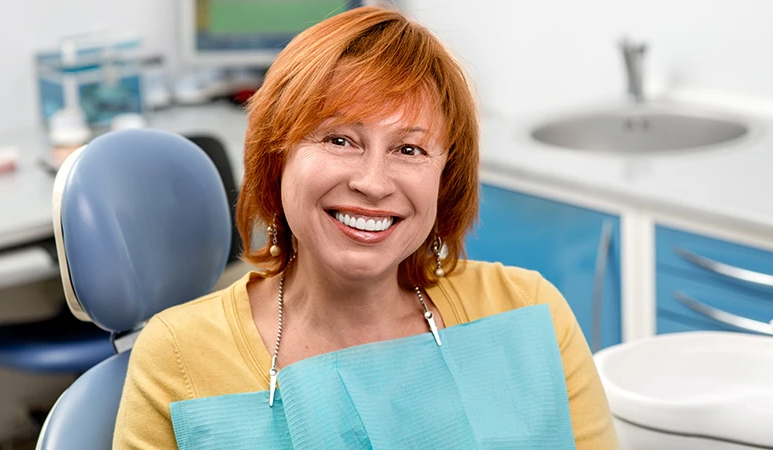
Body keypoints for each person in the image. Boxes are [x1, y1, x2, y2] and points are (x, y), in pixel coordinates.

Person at [113, 5, 618, 449]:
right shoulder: (176, 359)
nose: (374, 183)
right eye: (339, 140)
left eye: (409, 149)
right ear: (276, 158)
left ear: (445, 181)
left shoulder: (529, 312)